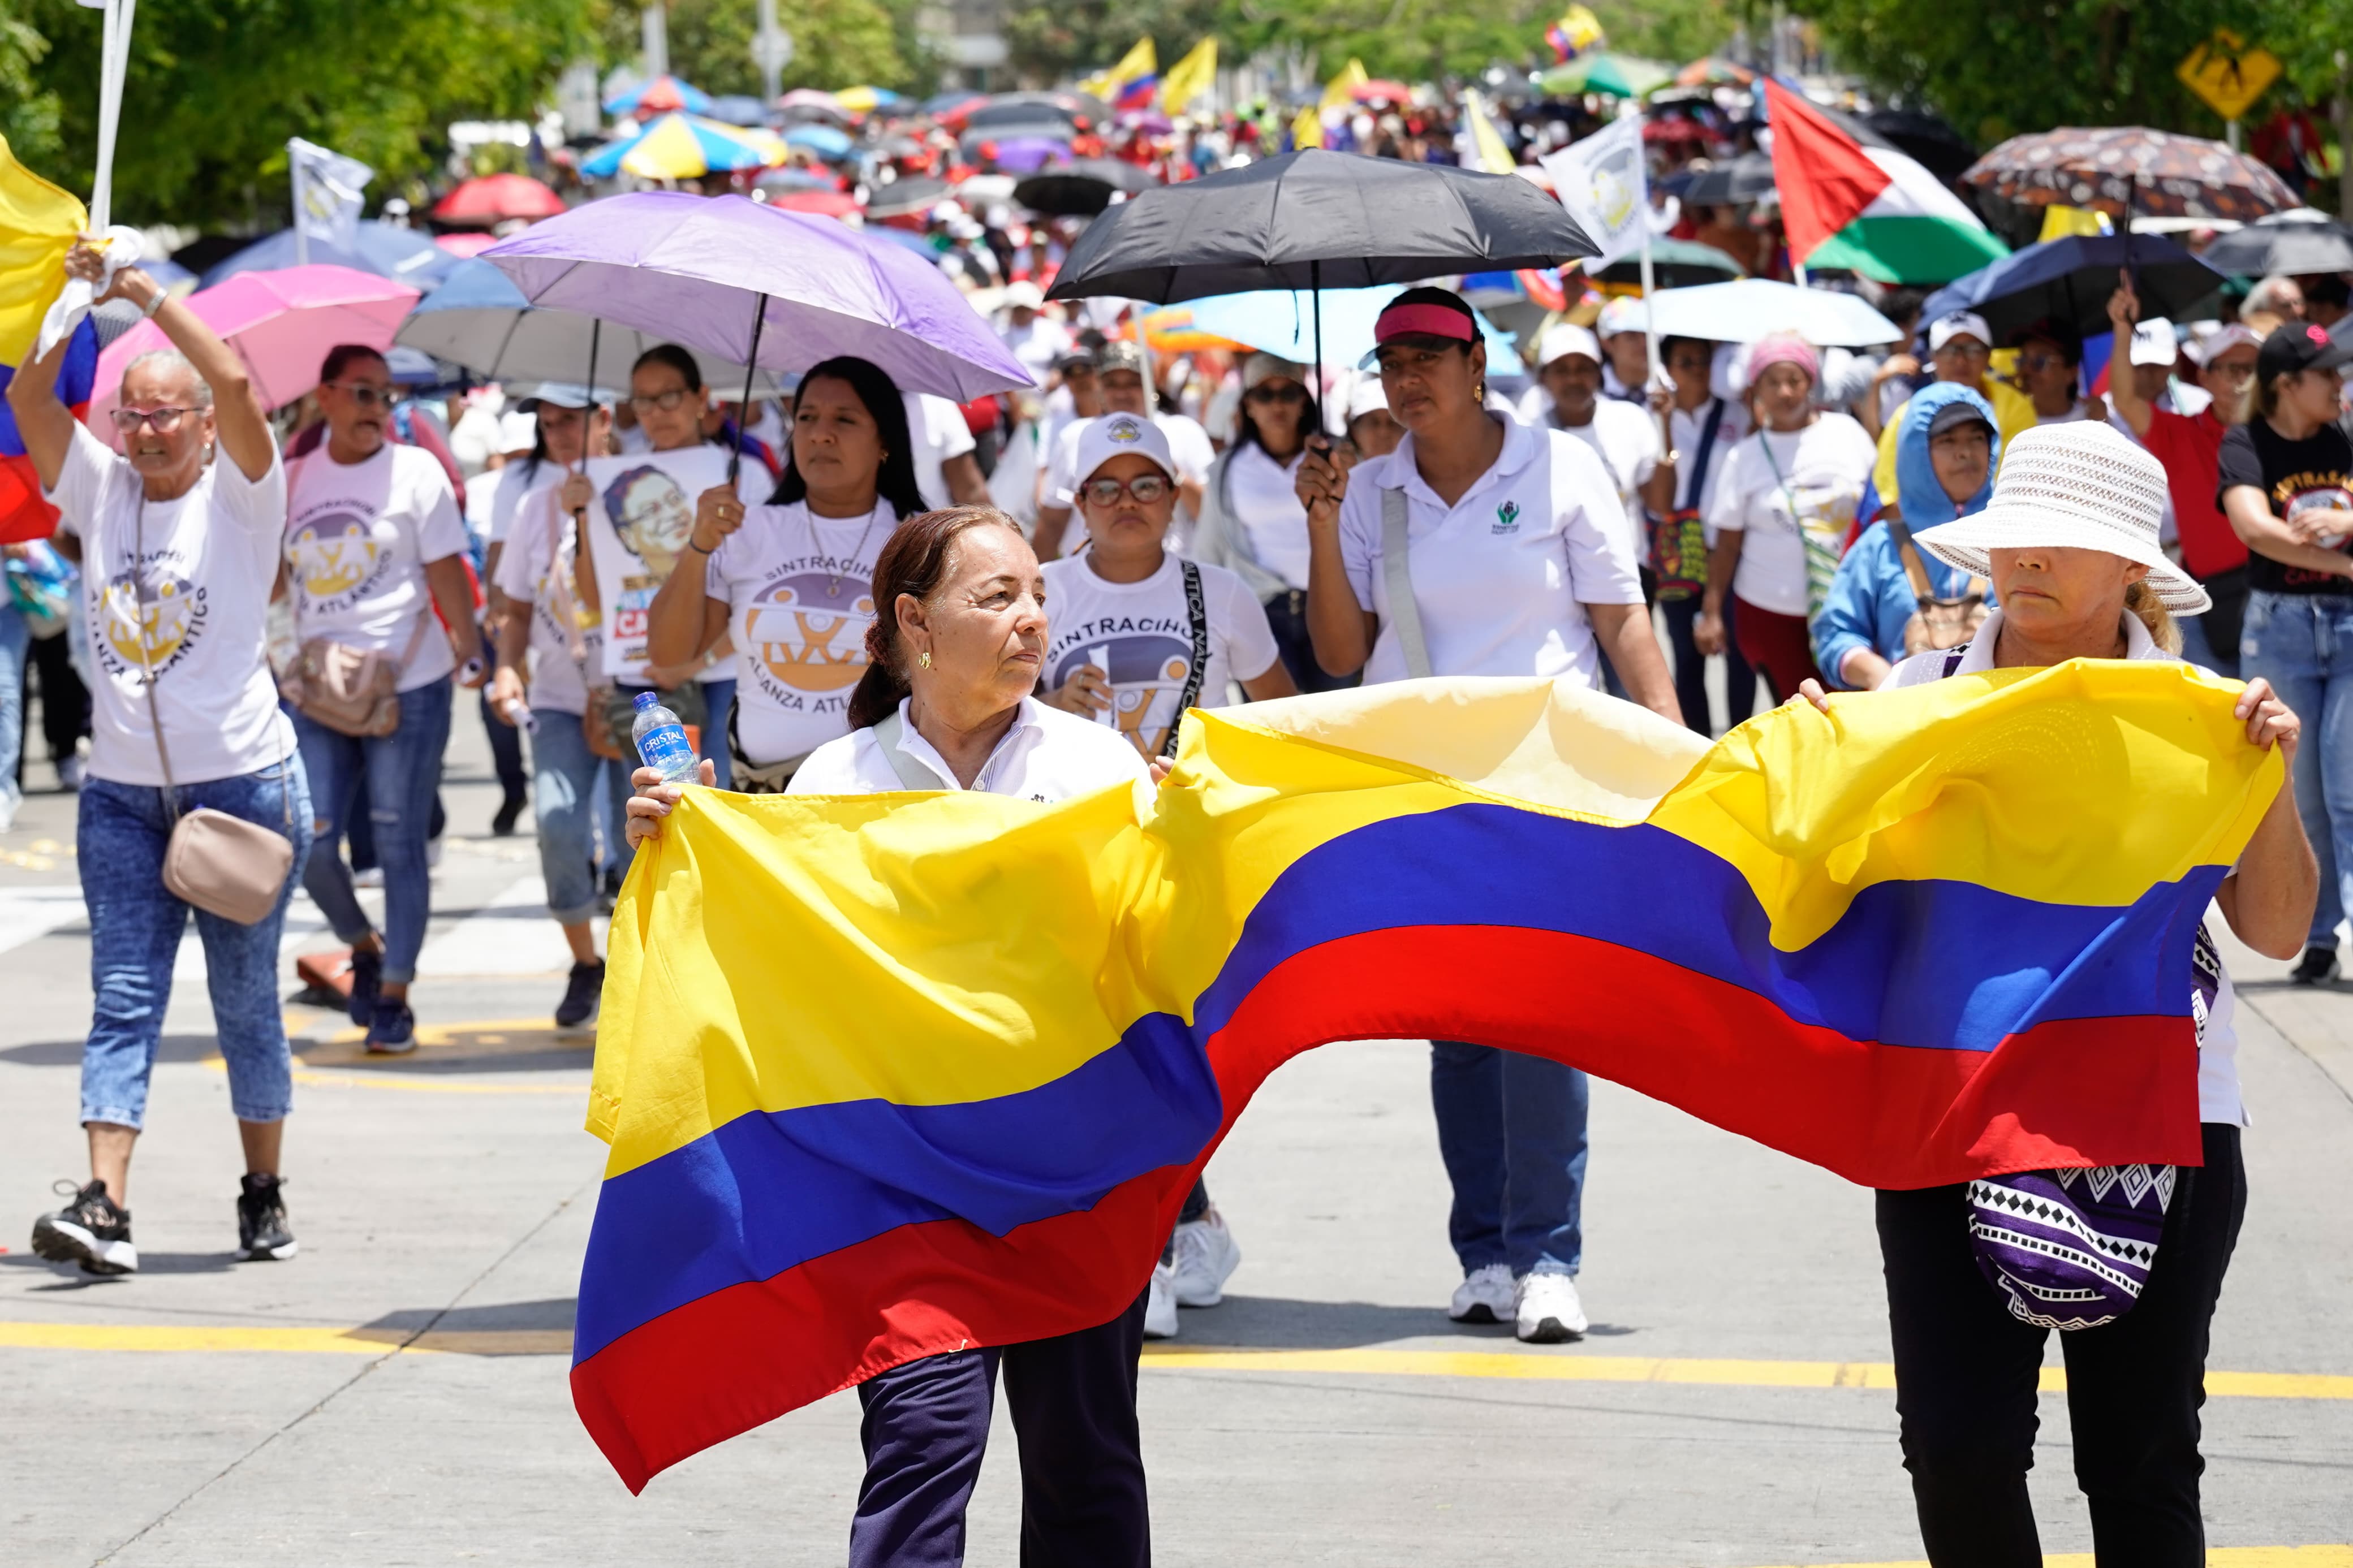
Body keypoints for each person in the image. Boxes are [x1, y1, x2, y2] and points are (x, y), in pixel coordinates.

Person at [1800, 420, 2313, 1567]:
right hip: (1949, 1115)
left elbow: (2276, 928)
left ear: (2130, 564)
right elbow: (1818, 904)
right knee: (1954, 1446)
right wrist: (1816, 773)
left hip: (2163, 1123)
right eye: (2013, 535)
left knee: (2136, 1459)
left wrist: (2267, 778)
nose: (2025, 556)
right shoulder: (1917, 700)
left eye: (2060, 539)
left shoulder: (2202, 710)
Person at [625, 506, 1157, 1568]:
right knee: (919, 1447)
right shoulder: (839, 781)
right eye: (996, 596)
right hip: (907, 1183)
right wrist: (690, 851)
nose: (1032, 619)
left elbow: (1159, 954)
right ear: (915, 621)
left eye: (1038, 595)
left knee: (1084, 1461)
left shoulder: (1104, 770)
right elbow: (782, 969)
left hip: (1075, 1172)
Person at [1297, 286, 1679, 1345]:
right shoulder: (1369, 488)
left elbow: (1621, 618)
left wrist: (1678, 752)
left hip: (1547, 779)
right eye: (1391, 363)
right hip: (1421, 788)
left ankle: (1550, 1255)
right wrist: (1323, 524)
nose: (1409, 378)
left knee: (1543, 1021)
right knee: (1459, 1029)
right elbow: (1338, 652)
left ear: (1478, 365)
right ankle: (1484, 1256)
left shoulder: (1560, 466)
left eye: (1431, 356)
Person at [11, 239, 314, 1272]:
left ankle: (262, 1185)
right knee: (124, 995)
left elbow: (230, 375)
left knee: (243, 1002)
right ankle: (104, 1203)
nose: (142, 431)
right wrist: (63, 299)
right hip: (122, 796)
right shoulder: (100, 492)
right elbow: (32, 398)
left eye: (162, 415)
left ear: (199, 427)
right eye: (128, 414)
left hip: (242, 788)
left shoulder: (243, 495)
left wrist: (141, 290)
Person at [1040, 411, 1294, 1338]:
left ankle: (1166, 1232)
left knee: (1165, 1051)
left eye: (1146, 483)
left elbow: (1282, 724)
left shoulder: (1219, 595)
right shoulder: (1039, 593)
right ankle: (1162, 1237)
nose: (1127, 504)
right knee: (1103, 1052)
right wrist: (1050, 704)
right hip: (1075, 858)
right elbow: (989, 719)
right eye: (1105, 486)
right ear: (1076, 501)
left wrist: (1210, 773)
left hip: (1185, 861)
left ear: (1178, 493)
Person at [282, 344, 485, 1053]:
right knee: (306, 839)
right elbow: (274, 578)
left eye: (387, 397)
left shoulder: (416, 469)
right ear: (326, 396)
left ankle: (394, 992)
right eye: (363, 394)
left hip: (410, 682)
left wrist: (470, 645)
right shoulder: (293, 475)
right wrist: (275, 651)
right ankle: (361, 944)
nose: (377, 410)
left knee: (399, 839)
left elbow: (445, 568)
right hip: (316, 687)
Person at [646, 356, 923, 791]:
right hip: (764, 797)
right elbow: (669, 653)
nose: (820, 434)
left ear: (885, 438)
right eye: (806, 417)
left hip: (880, 793)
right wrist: (699, 546)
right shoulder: (747, 530)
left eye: (844, 420)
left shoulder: (920, 540)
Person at [2218, 319, 2353, 984]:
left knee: (2348, 782)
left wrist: (2346, 522)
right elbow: (2254, 528)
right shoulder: (2245, 442)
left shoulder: (2346, 435)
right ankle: (2320, 935)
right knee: (2297, 794)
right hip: (2278, 630)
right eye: (2326, 373)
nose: (2339, 383)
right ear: (2284, 385)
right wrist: (2342, 563)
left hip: (2350, 628)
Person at [488, 389, 619, 1030]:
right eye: (547, 424)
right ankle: (584, 961)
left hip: (636, 693)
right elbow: (512, 605)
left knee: (637, 843)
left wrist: (593, 522)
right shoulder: (534, 507)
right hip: (559, 695)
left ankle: (637, 969)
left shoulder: (637, 496)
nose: (557, 433)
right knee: (558, 821)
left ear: (604, 420)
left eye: (570, 420)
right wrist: (507, 665)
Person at [569, 345, 748, 791]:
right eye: (643, 400)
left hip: (724, 674)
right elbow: (594, 600)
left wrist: (691, 665)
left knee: (718, 801)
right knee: (654, 811)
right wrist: (581, 514)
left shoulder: (745, 477)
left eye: (668, 396)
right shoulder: (609, 484)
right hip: (647, 679)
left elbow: (753, 596)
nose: (655, 412)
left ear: (699, 396)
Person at [1695, 335, 1876, 701]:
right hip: (1771, 614)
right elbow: (1727, 545)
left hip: (1849, 608)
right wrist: (1712, 613)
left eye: (1794, 379)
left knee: (1855, 708)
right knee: (1802, 712)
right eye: (1772, 382)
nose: (1785, 392)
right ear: (1755, 389)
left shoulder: (1848, 433)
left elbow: (1879, 511)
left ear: (1810, 381)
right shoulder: (1742, 458)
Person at [2105, 283, 2259, 680]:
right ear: (2205, 377)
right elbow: (2124, 399)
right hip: (2205, 599)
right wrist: (2122, 328)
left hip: (2276, 593)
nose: (2243, 380)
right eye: (2231, 369)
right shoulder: (2181, 432)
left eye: (2253, 368)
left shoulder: (2284, 434)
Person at [1813, 384, 1998, 690]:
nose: (1965, 452)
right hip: (1904, 721)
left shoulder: (2014, 541)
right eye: (1948, 440)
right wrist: (1874, 673)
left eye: (1977, 438)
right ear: (1916, 454)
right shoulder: (1880, 544)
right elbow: (1836, 633)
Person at [1190, 353, 1355, 693]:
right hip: (1261, 612)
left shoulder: (1337, 459)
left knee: (1340, 719)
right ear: (1248, 405)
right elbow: (1209, 551)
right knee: (1279, 726)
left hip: (1333, 605)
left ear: (1304, 403)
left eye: (1288, 393)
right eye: (1265, 395)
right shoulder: (1226, 469)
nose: (1276, 404)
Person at [1647, 333, 1755, 733]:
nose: (1698, 370)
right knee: (1686, 655)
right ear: (1669, 370)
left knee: (1738, 653)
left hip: (1730, 550)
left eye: (1703, 361)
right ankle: (1697, 749)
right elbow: (1660, 500)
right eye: (1686, 362)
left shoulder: (1738, 415)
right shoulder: (1655, 417)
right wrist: (1664, 426)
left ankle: (1743, 740)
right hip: (1678, 553)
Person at [1035, 340, 1215, 558]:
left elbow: (1210, 517)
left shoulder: (1185, 432)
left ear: (1152, 384)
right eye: (1112, 383)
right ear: (1099, 386)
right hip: (1090, 577)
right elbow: (1053, 521)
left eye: (1133, 383)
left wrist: (1174, 474)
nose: (1122, 392)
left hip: (1173, 573)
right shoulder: (1076, 437)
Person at [1871, 311, 2037, 521]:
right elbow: (1887, 498)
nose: (1961, 360)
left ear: (1988, 356)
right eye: (1949, 350)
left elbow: (2024, 484)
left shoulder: (2016, 406)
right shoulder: (1906, 415)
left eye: (1973, 349)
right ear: (1933, 357)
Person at [2011, 320, 2098, 424]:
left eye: (2040, 361)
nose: (2027, 369)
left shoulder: (2095, 419)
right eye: (2023, 360)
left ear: (2071, 373)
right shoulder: (2007, 423)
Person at [1343, 377, 1403, 459]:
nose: (1384, 432)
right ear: (1354, 430)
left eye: (1392, 422)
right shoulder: (1337, 470)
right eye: (1373, 423)